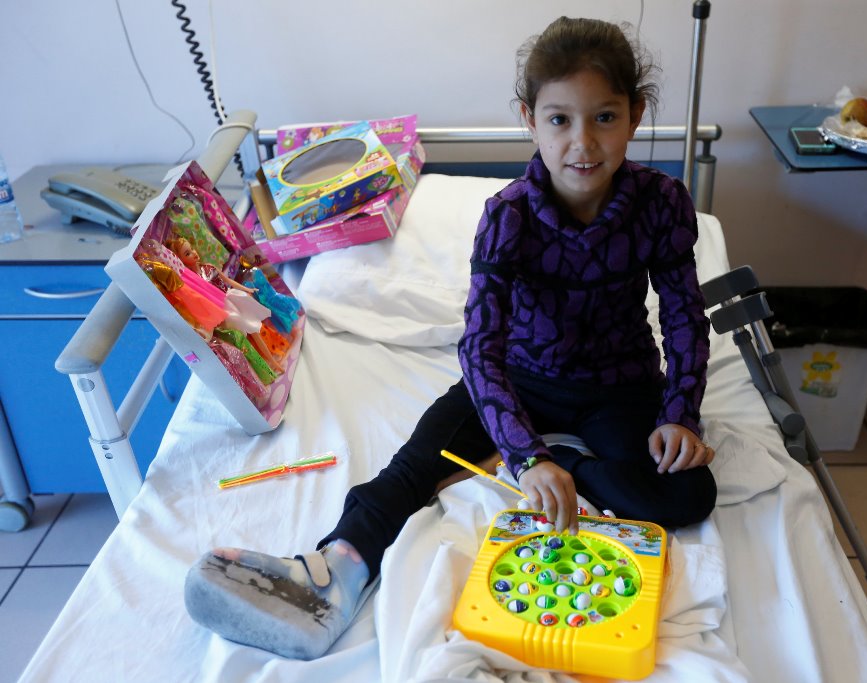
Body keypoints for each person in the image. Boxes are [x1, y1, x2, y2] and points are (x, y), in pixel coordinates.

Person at [184, 15, 717, 661]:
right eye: (560, 119)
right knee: (415, 464)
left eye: (604, 117)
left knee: (688, 492)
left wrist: (679, 414)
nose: (583, 142)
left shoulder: (662, 203)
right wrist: (523, 454)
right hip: (518, 380)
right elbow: (481, 346)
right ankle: (332, 575)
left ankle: (568, 456)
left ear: (635, 116)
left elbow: (685, 316)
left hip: (619, 387)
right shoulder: (508, 216)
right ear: (530, 120)